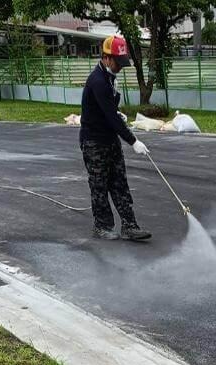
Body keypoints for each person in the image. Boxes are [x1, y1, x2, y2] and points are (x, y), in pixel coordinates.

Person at [80, 35, 151, 241]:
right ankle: (102, 226)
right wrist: (133, 141)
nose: (120, 67)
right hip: (94, 142)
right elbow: (110, 117)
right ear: (106, 57)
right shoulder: (98, 81)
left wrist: (115, 111)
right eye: (117, 62)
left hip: (110, 140)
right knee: (99, 185)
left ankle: (130, 226)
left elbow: (109, 111)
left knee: (119, 183)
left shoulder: (110, 78)